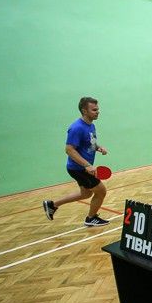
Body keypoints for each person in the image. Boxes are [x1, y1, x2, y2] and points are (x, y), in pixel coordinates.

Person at [42, 97, 110, 226]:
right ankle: (91, 218)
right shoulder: (76, 128)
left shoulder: (91, 125)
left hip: (81, 168)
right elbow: (69, 149)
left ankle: (52, 205)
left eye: (97, 109)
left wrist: (98, 148)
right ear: (84, 111)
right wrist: (87, 165)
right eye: (94, 110)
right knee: (101, 191)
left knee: (86, 194)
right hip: (79, 168)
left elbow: (89, 143)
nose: (97, 112)